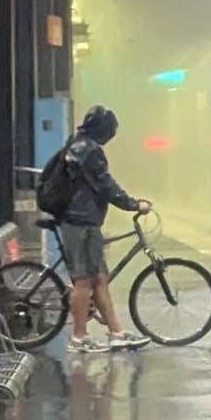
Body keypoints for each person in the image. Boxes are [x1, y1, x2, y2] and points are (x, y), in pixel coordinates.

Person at [60, 106, 152, 352]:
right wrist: (133, 204)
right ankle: (79, 337)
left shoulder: (77, 144)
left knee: (99, 279)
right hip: (80, 222)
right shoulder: (88, 151)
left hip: (85, 221)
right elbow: (105, 185)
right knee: (83, 282)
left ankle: (116, 332)